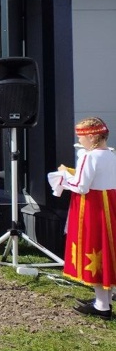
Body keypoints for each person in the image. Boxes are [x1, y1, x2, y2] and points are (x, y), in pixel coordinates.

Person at [54, 117, 116, 320]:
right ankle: (103, 301)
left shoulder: (89, 157)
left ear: (92, 137)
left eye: (81, 137)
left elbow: (81, 186)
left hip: (92, 210)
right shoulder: (111, 154)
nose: (79, 141)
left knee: (95, 252)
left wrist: (62, 176)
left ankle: (102, 305)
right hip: (110, 206)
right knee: (106, 252)